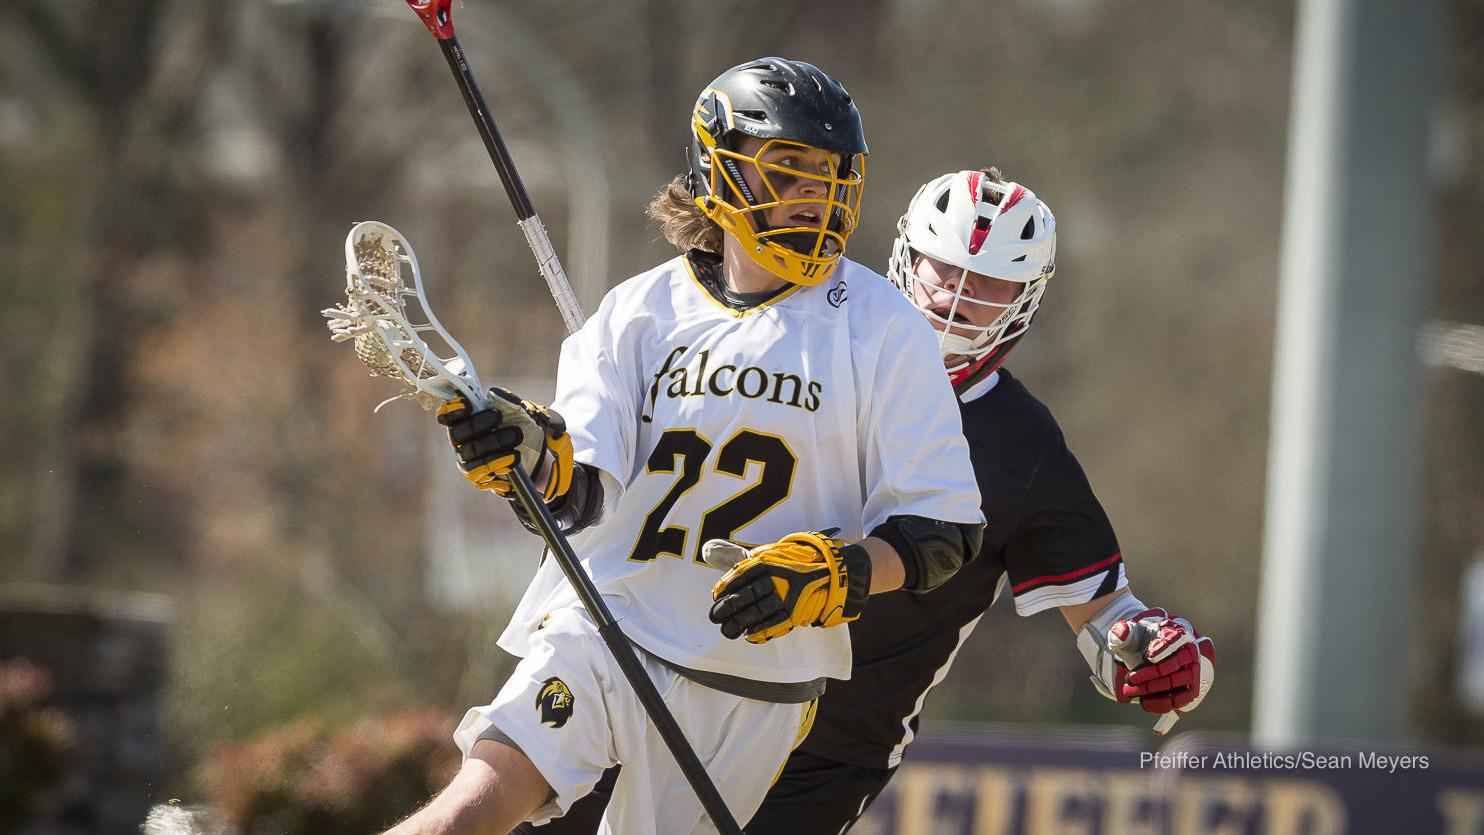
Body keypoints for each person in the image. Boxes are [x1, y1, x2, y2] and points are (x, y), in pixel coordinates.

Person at [516, 168, 1217, 835]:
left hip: (828, 747)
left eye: (990, 283)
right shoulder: (793, 344)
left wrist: (1155, 652)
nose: (956, 294)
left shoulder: (1020, 443)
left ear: (1027, 299)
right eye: (944, 268)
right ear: (905, 252)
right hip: (666, 677)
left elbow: (1106, 617)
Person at [384, 58, 984, 835]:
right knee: (468, 810)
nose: (814, 195)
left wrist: (837, 573)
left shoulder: (883, 325)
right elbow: (579, 494)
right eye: (788, 170)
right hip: (608, 626)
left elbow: (944, 531)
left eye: (830, 175)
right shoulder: (636, 312)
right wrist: (526, 454)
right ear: (719, 171)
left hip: (753, 680)